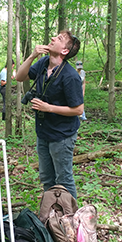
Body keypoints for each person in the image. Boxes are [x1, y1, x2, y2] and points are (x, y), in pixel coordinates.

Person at [16, 31, 83, 199]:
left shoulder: (70, 76)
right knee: (47, 178)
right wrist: (32, 55)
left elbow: (78, 110)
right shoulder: (44, 62)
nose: (52, 38)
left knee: (64, 179)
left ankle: (70, 218)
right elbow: (19, 76)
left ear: (65, 51)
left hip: (62, 135)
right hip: (43, 132)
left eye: (59, 39)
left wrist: (48, 108)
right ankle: (51, 216)